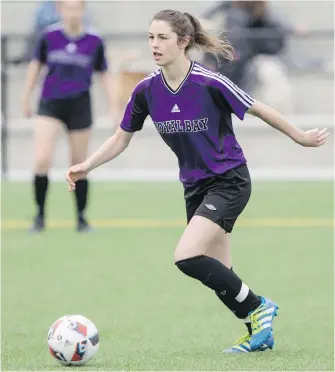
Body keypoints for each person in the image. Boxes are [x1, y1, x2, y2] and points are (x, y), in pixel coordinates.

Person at [65, 9, 329, 352]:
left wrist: (299, 136)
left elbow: (259, 107)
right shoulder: (146, 90)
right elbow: (121, 137)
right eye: (150, 37)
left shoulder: (209, 81)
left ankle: (259, 306)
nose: (154, 45)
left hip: (229, 180)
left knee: (187, 256)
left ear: (184, 41)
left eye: (162, 38)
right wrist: (86, 165)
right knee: (221, 270)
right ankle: (259, 335)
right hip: (194, 186)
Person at [21, 0, 114, 233]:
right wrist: (25, 97)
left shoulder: (94, 41)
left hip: (80, 105)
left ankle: (81, 218)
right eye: (68, 8)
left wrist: (115, 107)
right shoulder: (48, 37)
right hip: (50, 104)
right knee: (42, 160)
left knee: (79, 163)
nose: (72, 13)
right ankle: (40, 216)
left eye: (77, 8)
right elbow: (35, 66)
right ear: (60, 10)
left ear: (83, 10)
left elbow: (104, 74)